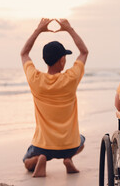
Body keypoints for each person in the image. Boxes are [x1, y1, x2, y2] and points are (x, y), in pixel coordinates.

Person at [20, 18, 88, 177]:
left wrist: (39, 29)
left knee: (27, 162)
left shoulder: (35, 80)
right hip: (69, 145)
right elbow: (84, 52)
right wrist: (69, 29)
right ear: (63, 60)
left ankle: (41, 159)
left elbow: (24, 53)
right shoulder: (70, 79)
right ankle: (68, 158)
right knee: (81, 141)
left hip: (43, 146)